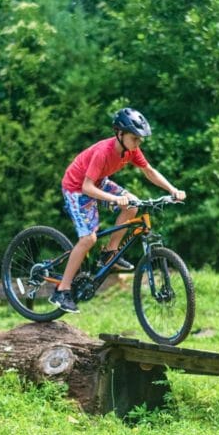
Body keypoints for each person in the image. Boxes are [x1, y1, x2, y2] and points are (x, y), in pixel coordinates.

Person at [49, 107, 186, 313]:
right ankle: (62, 290)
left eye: (140, 140)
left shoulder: (131, 150)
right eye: (134, 138)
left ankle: (109, 253)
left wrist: (172, 190)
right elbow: (87, 187)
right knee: (88, 239)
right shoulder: (103, 152)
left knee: (133, 204)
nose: (138, 143)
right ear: (119, 134)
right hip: (76, 188)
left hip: (98, 182)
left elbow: (149, 171)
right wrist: (115, 199)